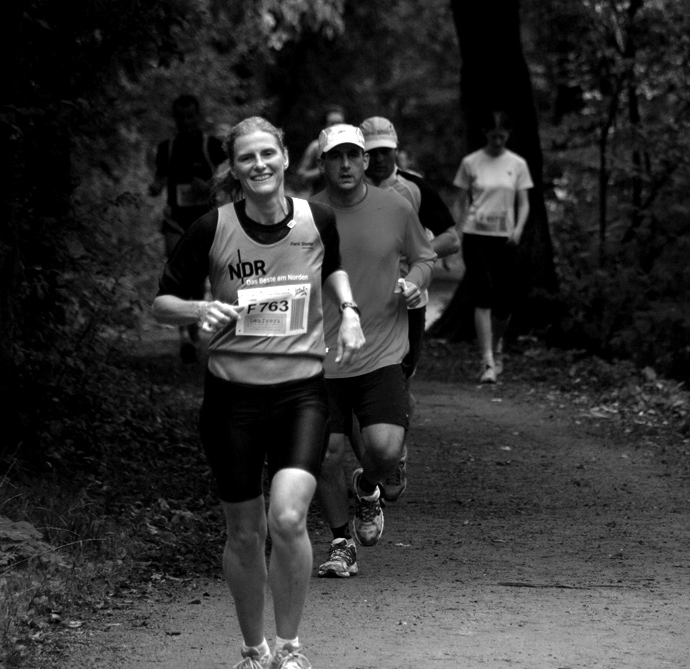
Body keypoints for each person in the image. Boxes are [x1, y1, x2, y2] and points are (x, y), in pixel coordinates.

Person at [152, 116, 364, 669]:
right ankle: (254, 649)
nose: (260, 165)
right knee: (245, 533)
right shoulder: (212, 228)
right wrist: (199, 308)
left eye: (268, 153)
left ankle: (290, 649)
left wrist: (348, 310)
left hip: (301, 394)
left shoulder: (317, 218)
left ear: (287, 157)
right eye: (247, 157)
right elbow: (161, 304)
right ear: (235, 168)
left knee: (289, 517)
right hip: (232, 401)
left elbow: (334, 267)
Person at [308, 124, 436, 578]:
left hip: (381, 350)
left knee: (383, 451)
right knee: (326, 454)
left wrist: (414, 284)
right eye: (334, 157)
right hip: (321, 355)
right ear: (322, 164)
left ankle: (366, 489)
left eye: (352, 156)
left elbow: (425, 257)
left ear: (365, 161)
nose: (344, 164)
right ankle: (342, 542)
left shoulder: (396, 207)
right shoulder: (306, 214)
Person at [360, 115, 461, 501]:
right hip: (358, 299)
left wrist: (417, 253)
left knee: (397, 382)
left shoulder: (414, 188)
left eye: (386, 151)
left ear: (396, 150)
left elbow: (451, 237)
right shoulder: (348, 188)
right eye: (372, 153)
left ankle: (393, 455)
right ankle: (374, 460)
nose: (380, 159)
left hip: (406, 302)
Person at [452, 110, 534, 384]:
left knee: (504, 302)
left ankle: (497, 346)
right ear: (485, 133)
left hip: (505, 238)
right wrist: (456, 232)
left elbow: (524, 202)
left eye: (503, 135)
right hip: (476, 235)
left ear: (508, 135)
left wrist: (519, 228)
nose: (498, 140)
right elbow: (460, 200)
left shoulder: (517, 164)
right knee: (483, 294)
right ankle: (487, 361)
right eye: (493, 135)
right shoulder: (471, 162)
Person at [148, 94, 227, 363]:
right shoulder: (166, 148)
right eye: (181, 117)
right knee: (178, 273)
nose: (186, 122)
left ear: (198, 116)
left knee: (197, 279)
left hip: (204, 219)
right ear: (175, 119)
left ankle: (194, 326)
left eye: (191, 116)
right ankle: (184, 337)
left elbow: (225, 177)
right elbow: (160, 176)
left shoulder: (212, 146)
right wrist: (155, 187)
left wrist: (208, 187)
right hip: (175, 219)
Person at [295, 106, 346, 197]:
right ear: (325, 126)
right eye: (332, 123)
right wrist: (321, 171)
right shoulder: (316, 147)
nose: (336, 127)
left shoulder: (352, 148)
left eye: (339, 123)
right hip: (319, 203)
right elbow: (301, 176)